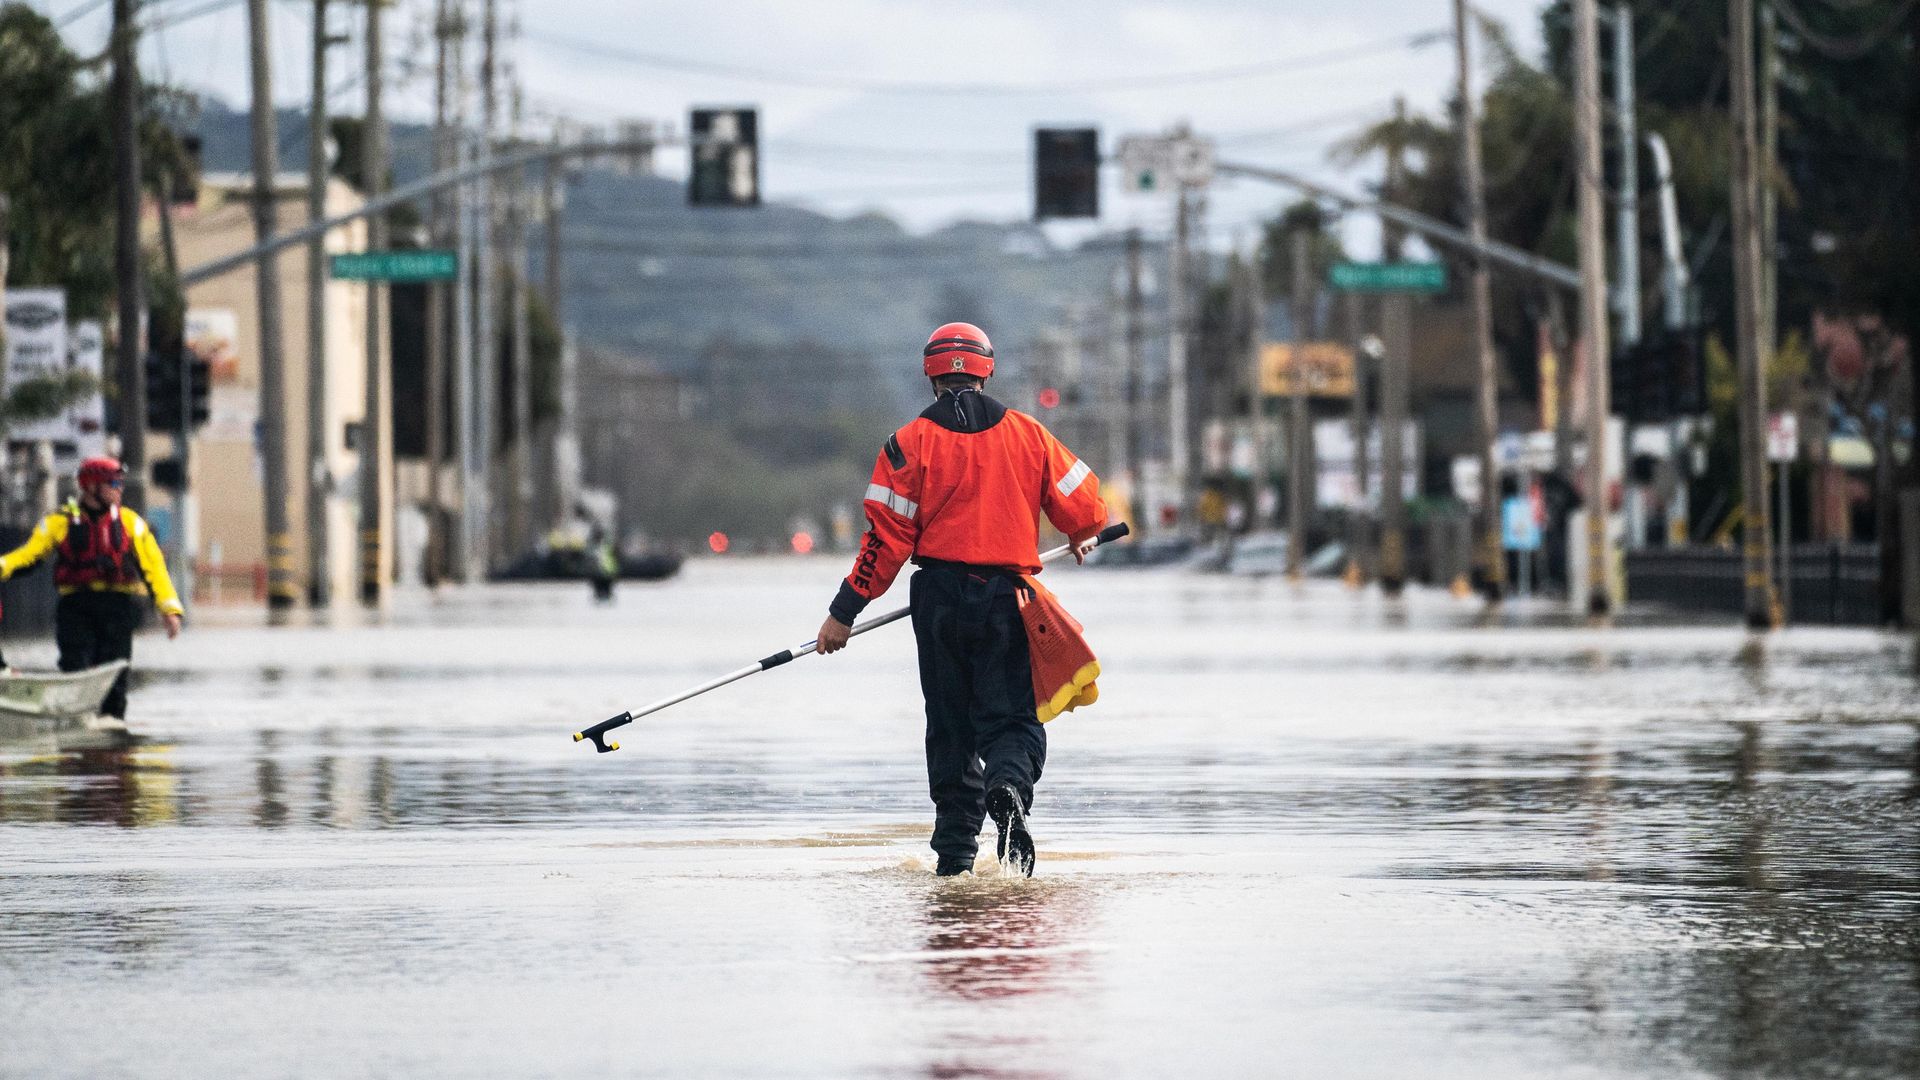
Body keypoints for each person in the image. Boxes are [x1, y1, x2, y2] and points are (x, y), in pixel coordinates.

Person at [814, 323, 1107, 878]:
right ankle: (1008, 787)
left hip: (939, 602)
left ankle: (954, 857)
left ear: (930, 373)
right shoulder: (1030, 435)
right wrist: (1080, 530)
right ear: (986, 368)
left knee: (949, 726)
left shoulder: (905, 445)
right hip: (1008, 599)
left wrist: (842, 613)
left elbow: (884, 545)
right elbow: (1086, 506)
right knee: (1013, 721)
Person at [0, 456, 184, 719]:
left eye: (119, 482)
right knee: (74, 666)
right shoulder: (60, 522)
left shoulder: (131, 523)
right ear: (91, 486)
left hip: (117, 609)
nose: (119, 488)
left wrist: (169, 610)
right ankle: (74, 722)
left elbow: (154, 569)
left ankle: (112, 731)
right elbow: (28, 556)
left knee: (116, 679)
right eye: (113, 483)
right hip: (76, 608)